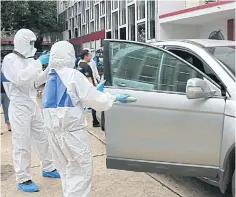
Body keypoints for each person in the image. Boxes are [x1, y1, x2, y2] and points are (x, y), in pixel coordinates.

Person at [42, 40, 130, 197]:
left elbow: (71, 100)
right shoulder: (73, 75)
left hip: (53, 134)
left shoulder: (50, 76)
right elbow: (96, 101)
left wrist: (93, 90)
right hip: (73, 135)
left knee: (67, 173)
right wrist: (114, 98)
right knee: (80, 174)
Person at [1, 29, 60, 193]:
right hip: (19, 106)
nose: (33, 46)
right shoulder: (9, 60)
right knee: (22, 143)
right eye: (31, 43)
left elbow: (35, 83)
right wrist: (37, 62)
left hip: (32, 104)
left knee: (42, 137)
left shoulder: (29, 61)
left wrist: (48, 68)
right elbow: (20, 79)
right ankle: (23, 178)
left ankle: (48, 167)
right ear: (21, 42)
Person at [78, 49, 100, 127]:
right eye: (90, 55)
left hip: (82, 88)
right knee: (93, 104)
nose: (91, 57)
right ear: (86, 56)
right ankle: (95, 121)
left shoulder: (79, 65)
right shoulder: (87, 66)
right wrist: (93, 89)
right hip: (88, 88)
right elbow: (89, 79)